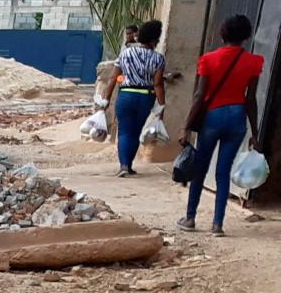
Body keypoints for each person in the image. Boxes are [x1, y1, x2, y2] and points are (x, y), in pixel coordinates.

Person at [179, 13, 264, 234]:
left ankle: (190, 218)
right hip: (237, 117)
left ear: (222, 33)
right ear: (246, 36)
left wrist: (186, 127)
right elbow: (251, 99)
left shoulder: (208, 59)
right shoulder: (254, 61)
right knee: (223, 172)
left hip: (212, 117)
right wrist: (255, 132)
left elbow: (200, 96)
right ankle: (218, 224)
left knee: (201, 168)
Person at [110, 19, 165, 176]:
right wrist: (161, 106)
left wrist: (105, 100)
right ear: (155, 40)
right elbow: (158, 84)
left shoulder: (125, 53)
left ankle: (124, 166)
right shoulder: (158, 58)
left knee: (124, 131)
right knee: (136, 131)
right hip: (145, 97)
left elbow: (113, 78)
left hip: (126, 94)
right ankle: (129, 164)